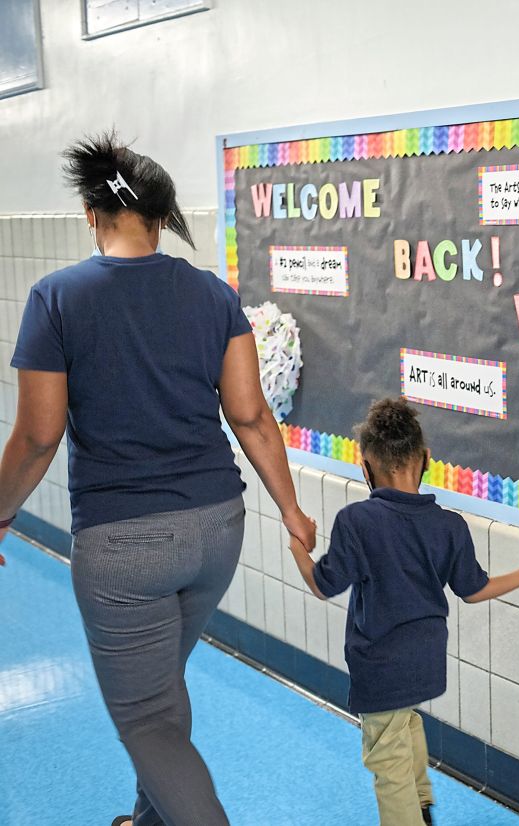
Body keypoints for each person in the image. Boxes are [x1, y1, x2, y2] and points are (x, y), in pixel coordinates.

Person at [0, 132, 317, 826]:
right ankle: (149, 820)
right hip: (217, 530)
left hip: (122, 550)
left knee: (147, 717)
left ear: (92, 215)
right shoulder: (212, 294)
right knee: (162, 690)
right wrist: (291, 511)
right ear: (158, 217)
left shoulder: (57, 298)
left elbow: (37, 436)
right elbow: (251, 415)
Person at [287, 397, 519, 826]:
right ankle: (422, 807)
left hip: (378, 664)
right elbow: (474, 591)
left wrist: (298, 544)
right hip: (426, 660)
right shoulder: (449, 525)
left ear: (366, 467)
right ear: (426, 461)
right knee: (403, 725)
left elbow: (323, 585)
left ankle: (410, 816)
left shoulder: (356, 521)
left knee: (386, 756)